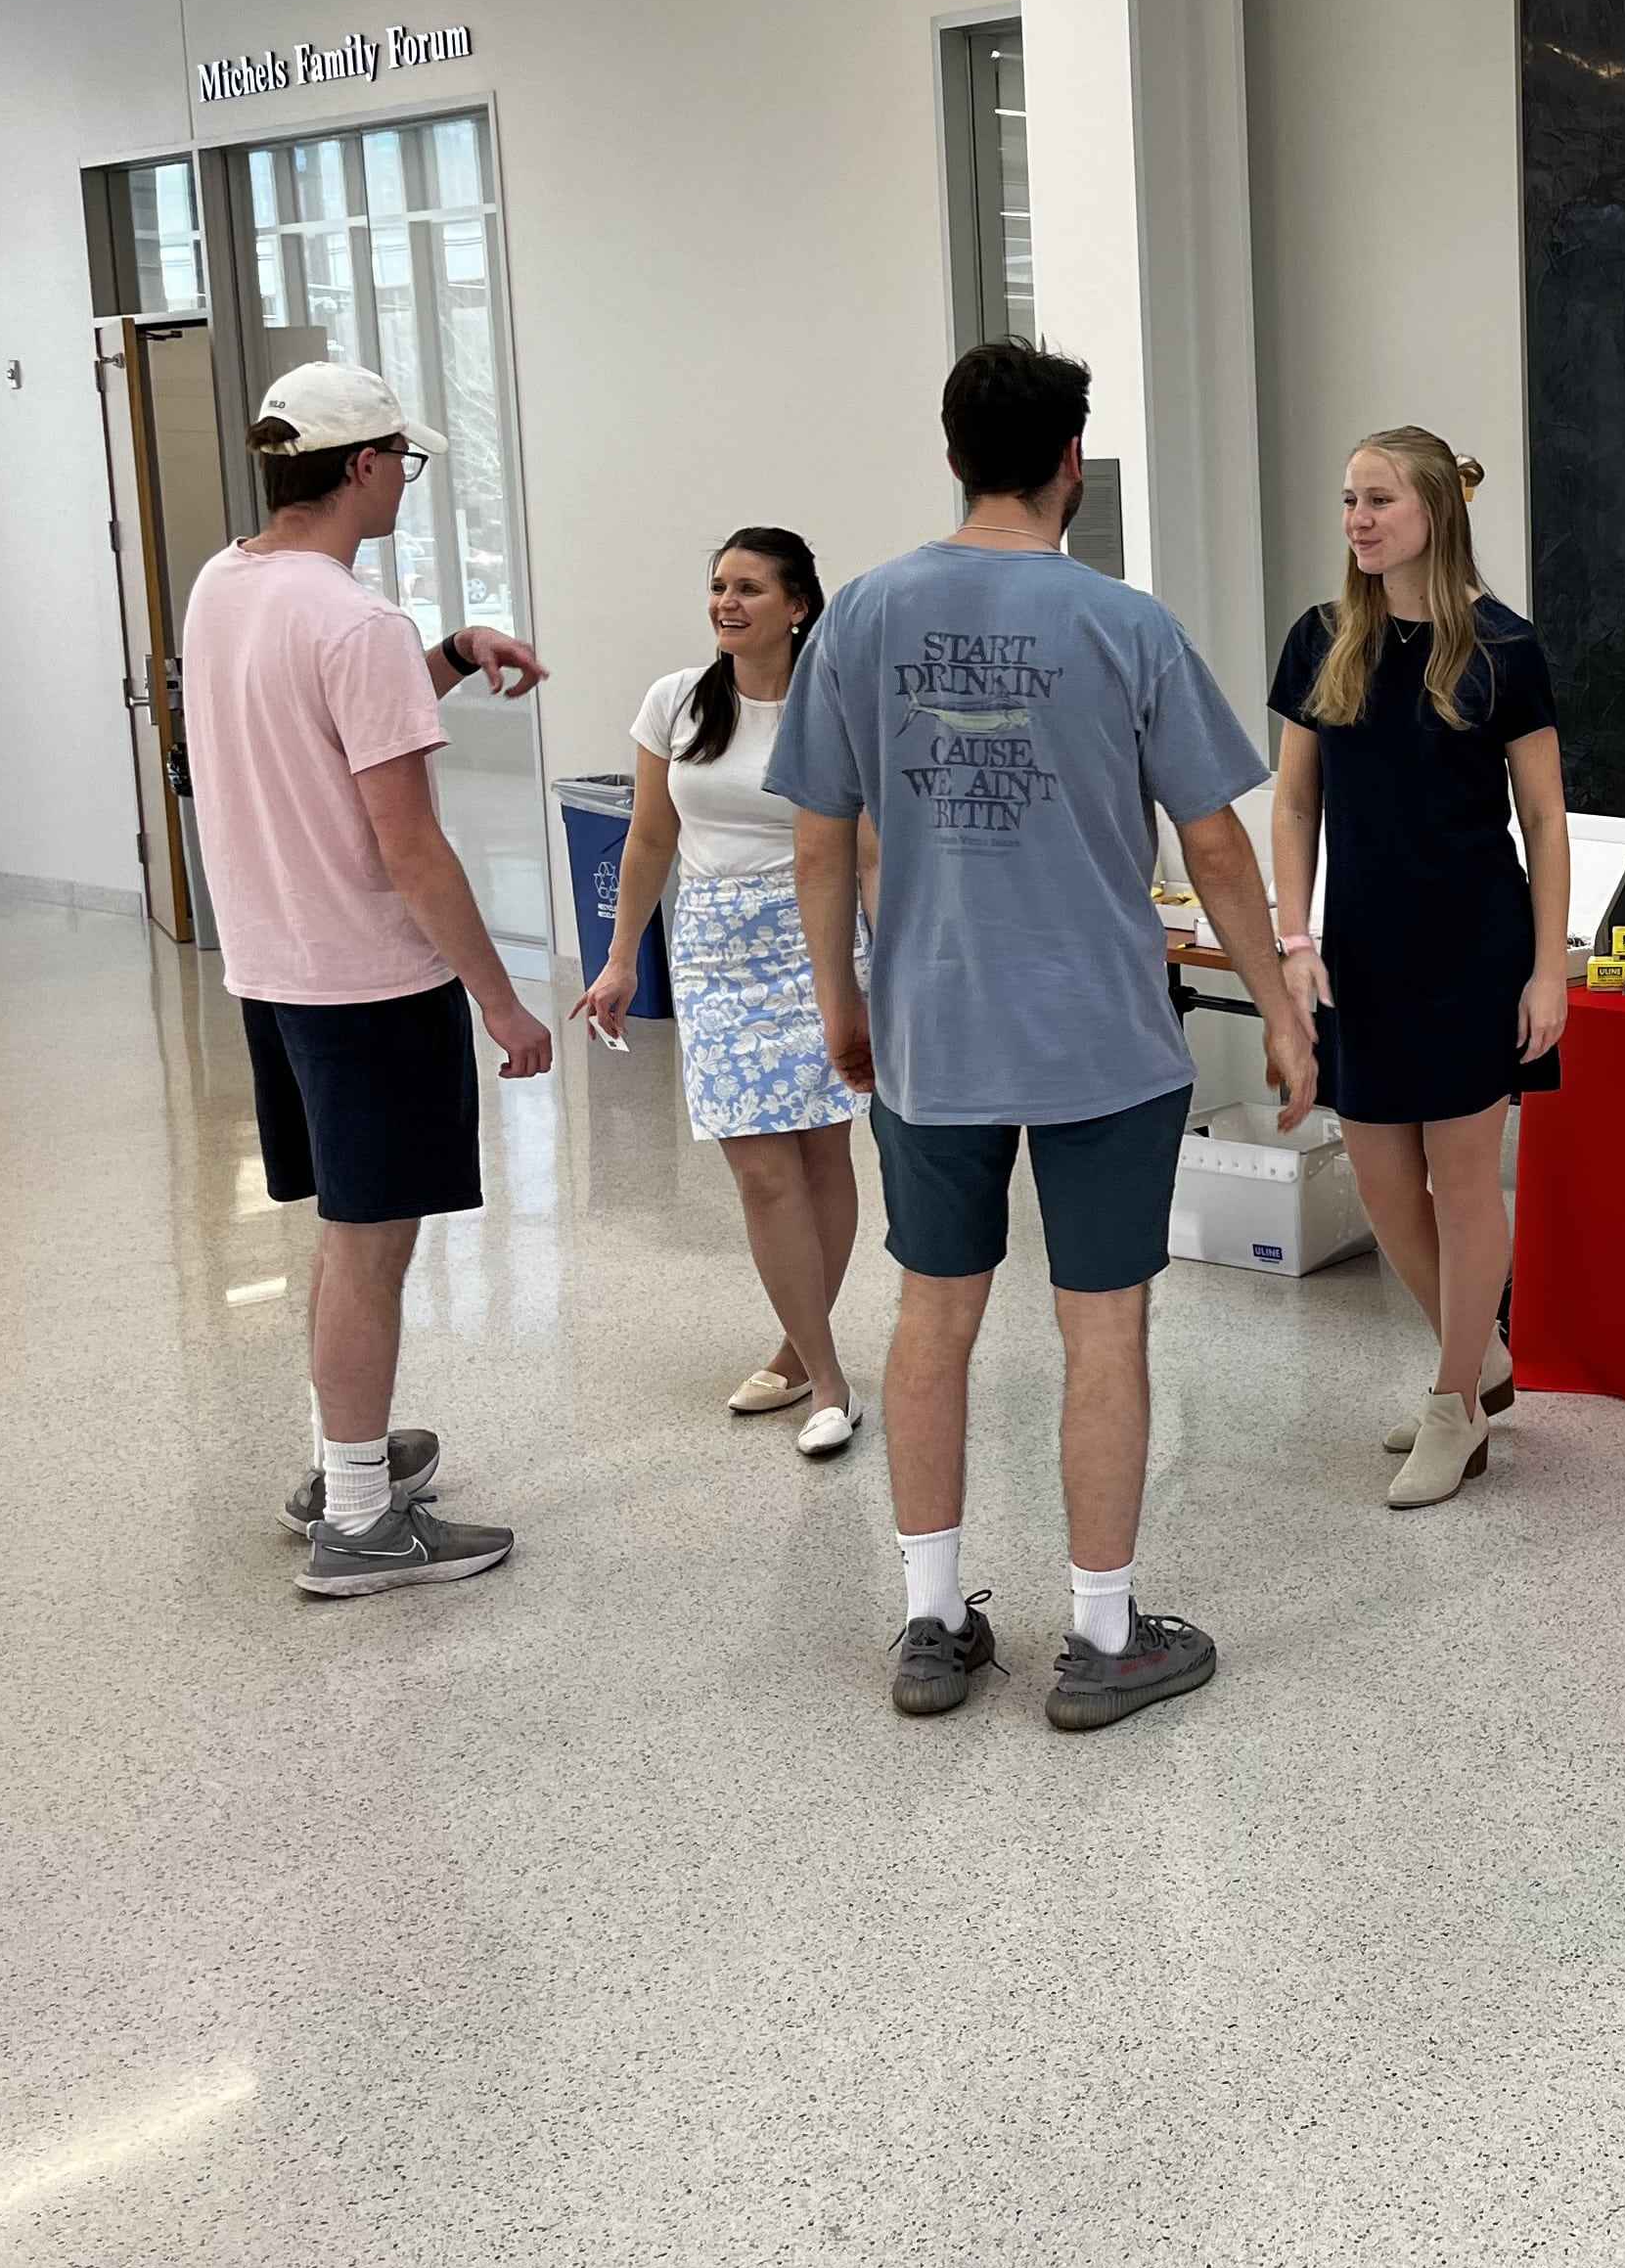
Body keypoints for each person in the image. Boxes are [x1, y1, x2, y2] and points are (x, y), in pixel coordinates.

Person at [770, 339, 1314, 1732]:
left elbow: (820, 838)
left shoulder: (865, 618)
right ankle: (1099, 1636)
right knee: (1104, 1328)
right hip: (1103, 1042)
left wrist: (844, 1000)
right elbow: (1219, 847)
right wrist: (1284, 1003)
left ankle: (932, 1626)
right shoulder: (1128, 626)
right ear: (1074, 460)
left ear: (956, 455)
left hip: (931, 1029)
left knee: (932, 1316)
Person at [182, 359, 554, 1596]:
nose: (408, 479)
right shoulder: (353, 621)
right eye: (404, 459)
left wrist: (444, 653)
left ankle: (344, 1457)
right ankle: (356, 1516)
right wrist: (501, 1000)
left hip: (276, 970)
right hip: (368, 982)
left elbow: (314, 722)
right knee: (369, 1245)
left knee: (349, 1237)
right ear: (360, 467)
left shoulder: (226, 584)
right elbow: (410, 845)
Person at [1266, 430, 1571, 1508]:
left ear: (1434, 511)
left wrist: (1549, 972)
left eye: (1380, 500)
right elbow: (1295, 802)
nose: (1357, 519)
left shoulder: (1501, 648)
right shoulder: (1322, 640)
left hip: (1473, 949)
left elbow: (1543, 819)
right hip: (1360, 949)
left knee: (1461, 1171)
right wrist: (1293, 945)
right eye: (1349, 499)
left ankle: (1455, 1404)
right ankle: (1477, 1359)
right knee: (1384, 1180)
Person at [574, 529, 875, 1460]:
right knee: (758, 1167)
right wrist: (622, 958)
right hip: (714, 953)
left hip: (814, 943)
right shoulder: (674, 703)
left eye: (749, 588)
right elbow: (649, 841)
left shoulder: (832, 707)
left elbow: (864, 849)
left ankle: (798, 1349)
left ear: (797, 606)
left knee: (823, 1158)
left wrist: (889, 962)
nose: (726, 603)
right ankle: (830, 1380)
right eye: (717, 587)